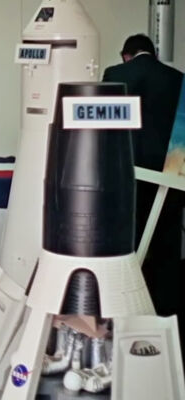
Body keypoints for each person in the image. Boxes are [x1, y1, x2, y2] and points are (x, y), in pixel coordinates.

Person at [103, 34, 184, 335]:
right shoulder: (178, 79)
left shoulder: (116, 74)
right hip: (171, 173)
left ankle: (124, 311)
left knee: (126, 241)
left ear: (127, 55)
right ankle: (167, 313)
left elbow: (106, 128)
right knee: (166, 244)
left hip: (127, 173)